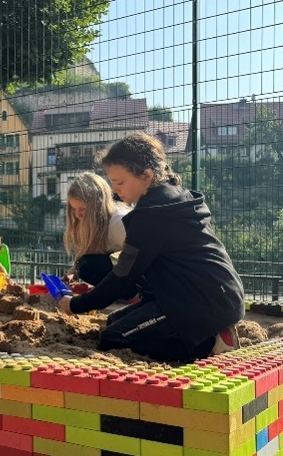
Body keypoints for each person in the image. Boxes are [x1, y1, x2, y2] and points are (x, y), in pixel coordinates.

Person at [56, 132, 245, 362]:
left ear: (146, 175)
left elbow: (122, 276)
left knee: (113, 338)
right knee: (114, 322)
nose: (115, 190)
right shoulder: (172, 197)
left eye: (120, 182)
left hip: (201, 303)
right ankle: (207, 332)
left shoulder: (151, 216)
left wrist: (75, 305)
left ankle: (208, 344)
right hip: (213, 295)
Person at [63, 172, 130, 286]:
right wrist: (72, 273)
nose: (77, 215)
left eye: (83, 209)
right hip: (124, 273)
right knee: (84, 264)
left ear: (97, 207)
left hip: (145, 280)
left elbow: (145, 254)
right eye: (74, 209)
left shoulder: (118, 222)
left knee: (87, 265)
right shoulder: (90, 222)